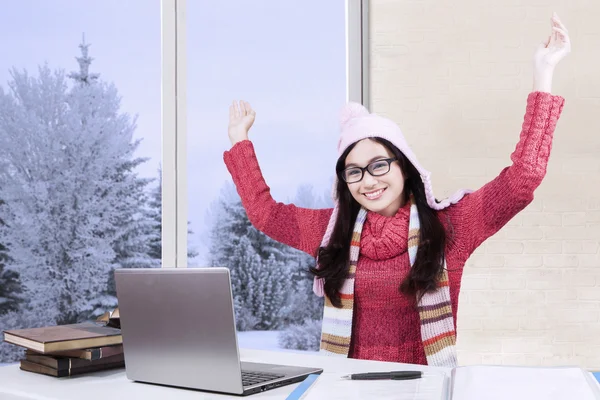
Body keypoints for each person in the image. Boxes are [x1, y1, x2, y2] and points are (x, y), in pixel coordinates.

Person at [223, 13, 571, 367]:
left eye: (379, 164)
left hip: (426, 389)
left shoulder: (451, 226)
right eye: (354, 172)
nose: (368, 181)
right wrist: (240, 140)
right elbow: (265, 214)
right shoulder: (333, 231)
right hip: (345, 389)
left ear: (404, 165)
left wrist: (543, 75)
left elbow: (524, 176)